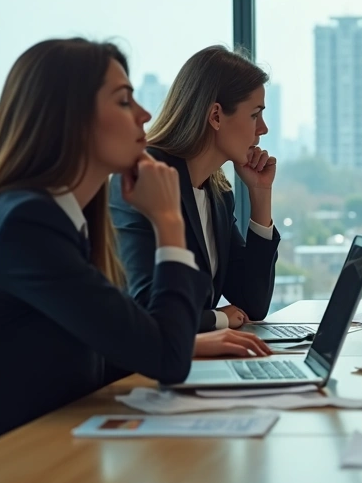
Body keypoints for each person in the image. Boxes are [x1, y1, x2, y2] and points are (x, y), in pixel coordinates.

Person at [0, 39, 209, 464]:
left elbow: (104, 352)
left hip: (32, 458)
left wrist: (184, 343)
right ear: (71, 120)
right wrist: (169, 224)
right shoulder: (25, 225)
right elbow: (166, 361)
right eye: (124, 101)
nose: (145, 115)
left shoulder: (55, 218)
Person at [111, 46, 280, 351]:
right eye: (255, 114)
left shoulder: (217, 194)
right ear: (216, 115)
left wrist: (260, 195)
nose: (263, 129)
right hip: (137, 373)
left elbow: (252, 303)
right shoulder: (145, 178)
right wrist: (218, 319)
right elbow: (145, 309)